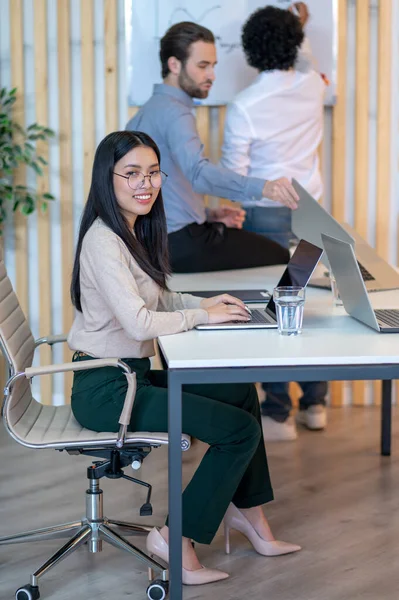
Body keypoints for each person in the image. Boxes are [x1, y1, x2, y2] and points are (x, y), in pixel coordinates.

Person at [67, 130, 301, 586]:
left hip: (127, 376)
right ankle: (176, 538)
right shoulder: (103, 241)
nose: (145, 184)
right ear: (106, 179)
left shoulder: (131, 231)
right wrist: (201, 318)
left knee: (238, 394)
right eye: (132, 173)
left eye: (153, 173)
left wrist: (211, 303)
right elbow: (138, 323)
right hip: (104, 388)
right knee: (238, 432)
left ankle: (248, 513)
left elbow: (159, 300)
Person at [220, 3, 327, 441]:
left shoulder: (244, 105)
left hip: (266, 216)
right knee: (311, 305)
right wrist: (298, 28)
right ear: (295, 44)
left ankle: (278, 411)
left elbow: (234, 178)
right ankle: (315, 405)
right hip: (313, 211)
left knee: (274, 309)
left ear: (249, 51)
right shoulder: (313, 87)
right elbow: (305, 63)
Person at [126, 21, 300, 273]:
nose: (212, 75)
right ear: (174, 65)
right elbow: (198, 174)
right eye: (202, 66)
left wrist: (208, 214)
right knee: (281, 255)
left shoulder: (146, 113)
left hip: (159, 240)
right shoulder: (176, 114)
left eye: (213, 66)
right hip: (179, 243)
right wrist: (264, 187)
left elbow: (164, 189)